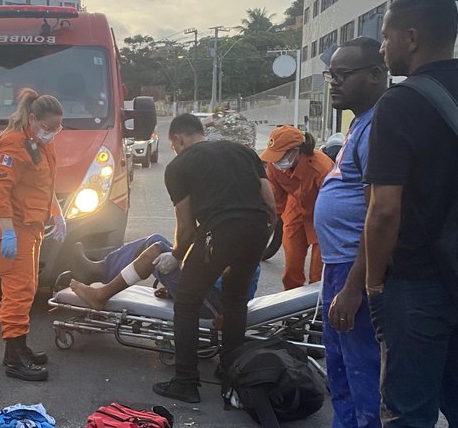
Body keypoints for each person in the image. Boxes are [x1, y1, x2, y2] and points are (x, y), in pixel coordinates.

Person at [365, 0, 458, 426]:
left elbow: (385, 209)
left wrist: (373, 283)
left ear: (412, 37)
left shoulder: (401, 102)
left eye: (386, 36)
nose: (383, 47)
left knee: (408, 411)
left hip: (418, 283)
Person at [152, 114, 276, 403]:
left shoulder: (179, 165)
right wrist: (260, 240)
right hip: (256, 229)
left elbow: (186, 225)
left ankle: (185, 381)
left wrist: (177, 255)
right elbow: (270, 203)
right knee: (235, 302)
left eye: (174, 145)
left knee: (187, 301)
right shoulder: (244, 152)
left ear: (177, 139)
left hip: (219, 231)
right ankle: (231, 372)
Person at [314, 37, 386, 428]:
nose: (333, 83)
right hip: (337, 264)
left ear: (375, 75)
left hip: (353, 269)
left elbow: (380, 211)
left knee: (362, 374)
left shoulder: (378, 126)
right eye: (331, 75)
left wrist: (355, 286)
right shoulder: (360, 123)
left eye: (342, 75)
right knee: (340, 368)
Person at [0, 88, 66, 382]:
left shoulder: (39, 144)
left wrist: (57, 213)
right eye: (50, 127)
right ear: (32, 118)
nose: (55, 132)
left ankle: (19, 347)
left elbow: (44, 184)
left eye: (58, 127)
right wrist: (7, 233)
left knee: (28, 287)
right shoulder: (14, 144)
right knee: (18, 290)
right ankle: (14, 357)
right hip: (9, 225)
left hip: (29, 224)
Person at [66, 236, 261, 319]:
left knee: (154, 253)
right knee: (155, 241)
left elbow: (236, 295)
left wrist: (227, 318)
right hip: (204, 290)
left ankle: (100, 296)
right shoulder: (231, 228)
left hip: (213, 307)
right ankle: (100, 270)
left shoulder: (242, 246)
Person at [260, 126, 333, 290]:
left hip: (323, 214)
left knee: (319, 272)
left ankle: (318, 309)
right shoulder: (274, 166)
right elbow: (276, 204)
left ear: (296, 151)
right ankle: (291, 306)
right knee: (292, 268)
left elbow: (333, 204)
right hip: (295, 209)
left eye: (281, 155)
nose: (276, 162)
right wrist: (263, 231)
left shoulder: (322, 168)